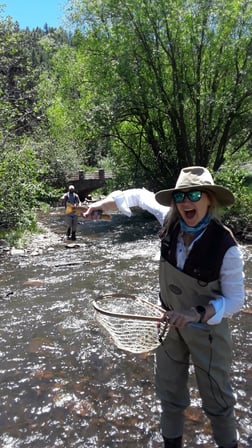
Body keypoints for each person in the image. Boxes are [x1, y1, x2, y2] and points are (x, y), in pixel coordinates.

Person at [83, 166, 245, 448]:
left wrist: (196, 313)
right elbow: (135, 196)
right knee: (169, 397)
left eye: (194, 194)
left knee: (218, 401)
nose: (186, 201)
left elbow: (235, 301)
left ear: (209, 199)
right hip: (168, 324)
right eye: (181, 195)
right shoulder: (168, 220)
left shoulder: (226, 245)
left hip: (208, 332)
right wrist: (100, 203)